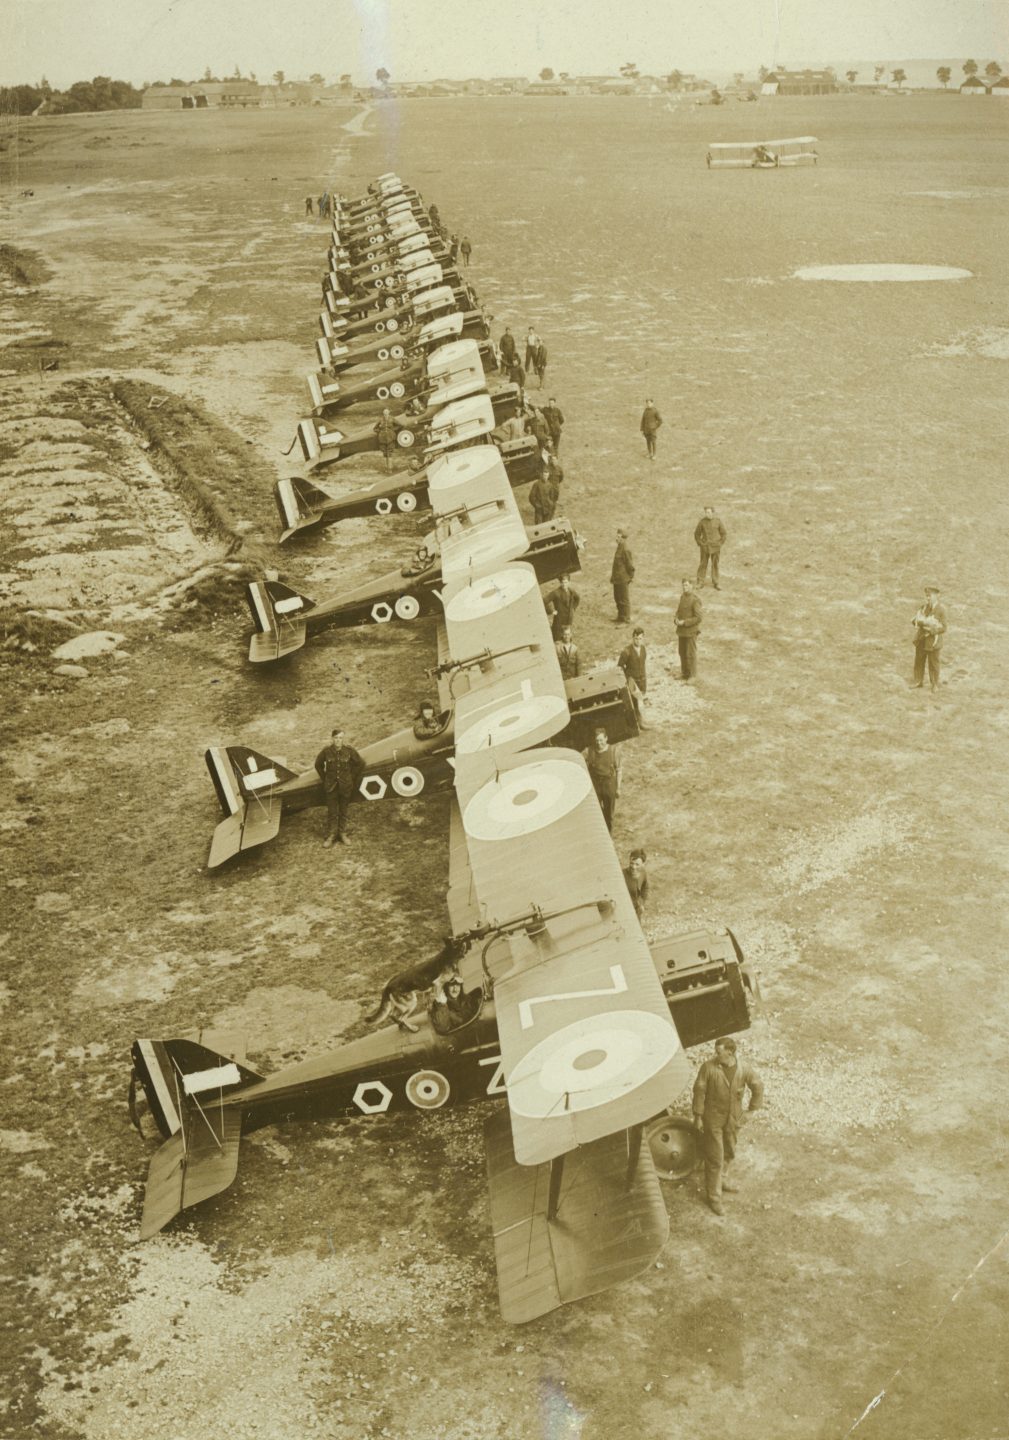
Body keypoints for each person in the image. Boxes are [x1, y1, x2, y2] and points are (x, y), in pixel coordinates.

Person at [692, 1037, 764, 1216]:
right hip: (713, 1118)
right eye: (716, 1052)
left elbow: (758, 1086)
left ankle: (721, 1180)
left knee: (730, 1151)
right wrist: (698, 1116)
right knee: (715, 1157)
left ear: (730, 1053)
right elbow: (699, 1091)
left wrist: (751, 1111)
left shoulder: (743, 1068)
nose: (715, 1055)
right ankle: (714, 1198)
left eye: (719, 1052)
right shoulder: (708, 1068)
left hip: (734, 1117)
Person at [314, 727, 365, 847]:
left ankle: (342, 834)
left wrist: (351, 778)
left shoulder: (349, 750)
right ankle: (331, 835)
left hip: (345, 786)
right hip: (331, 786)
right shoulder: (326, 751)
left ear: (343, 739)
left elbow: (360, 763)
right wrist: (325, 778)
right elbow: (318, 765)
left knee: (343, 811)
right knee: (332, 812)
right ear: (332, 739)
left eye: (340, 738)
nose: (338, 740)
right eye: (336, 738)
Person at [911, 585, 948, 692]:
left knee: (934, 663)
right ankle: (918, 681)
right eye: (927, 596)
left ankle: (934, 684)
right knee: (919, 661)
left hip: (933, 642)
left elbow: (944, 627)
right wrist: (922, 622)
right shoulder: (923, 607)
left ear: (937, 596)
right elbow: (914, 621)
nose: (928, 598)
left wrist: (932, 630)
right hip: (921, 639)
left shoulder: (941, 610)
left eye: (930, 596)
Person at [584, 728, 621, 832]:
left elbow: (619, 770)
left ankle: (609, 833)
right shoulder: (589, 751)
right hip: (596, 786)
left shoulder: (614, 750)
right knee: (596, 812)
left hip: (609, 785)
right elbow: (580, 761)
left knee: (609, 813)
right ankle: (599, 832)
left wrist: (618, 788)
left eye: (601, 740)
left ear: (606, 738)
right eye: (596, 741)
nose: (599, 743)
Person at [618, 627, 648, 728]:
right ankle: (638, 724)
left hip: (642, 679)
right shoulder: (627, 652)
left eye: (640, 638)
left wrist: (644, 679)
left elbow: (642, 664)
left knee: (640, 701)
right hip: (632, 681)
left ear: (643, 639)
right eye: (636, 638)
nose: (638, 641)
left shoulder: (643, 649)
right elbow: (620, 667)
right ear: (632, 638)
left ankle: (640, 721)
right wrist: (628, 678)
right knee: (634, 702)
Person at [675, 578, 702, 680]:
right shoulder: (682, 597)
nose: (684, 587)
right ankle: (685, 673)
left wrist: (685, 622)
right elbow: (678, 611)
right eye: (683, 585)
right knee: (682, 652)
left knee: (690, 653)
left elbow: (699, 618)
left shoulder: (695, 600)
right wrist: (676, 619)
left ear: (691, 586)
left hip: (691, 631)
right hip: (681, 631)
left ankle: (692, 676)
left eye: (686, 585)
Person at [694, 505, 727, 589]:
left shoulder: (718, 521)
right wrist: (701, 543)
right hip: (705, 548)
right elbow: (697, 534)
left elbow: (723, 533)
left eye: (708, 512)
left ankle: (716, 582)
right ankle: (700, 582)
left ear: (712, 512)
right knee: (703, 564)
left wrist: (720, 543)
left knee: (715, 564)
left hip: (716, 547)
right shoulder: (702, 522)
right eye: (706, 512)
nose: (707, 514)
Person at [544, 573, 580, 639]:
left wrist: (573, 608)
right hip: (559, 620)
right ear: (560, 583)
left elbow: (577, 598)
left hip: (568, 619)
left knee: (567, 636)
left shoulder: (571, 591)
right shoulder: (556, 592)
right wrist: (551, 611)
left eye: (566, 582)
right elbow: (544, 601)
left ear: (569, 582)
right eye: (562, 582)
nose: (564, 584)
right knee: (557, 637)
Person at [611, 529, 635, 624]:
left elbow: (630, 565)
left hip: (622, 579)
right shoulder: (619, 547)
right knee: (617, 598)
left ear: (623, 538)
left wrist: (630, 577)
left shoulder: (625, 549)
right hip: (617, 579)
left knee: (624, 599)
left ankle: (626, 619)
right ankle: (620, 616)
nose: (616, 538)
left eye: (618, 537)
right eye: (617, 536)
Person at [623, 848, 649, 918]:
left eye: (637, 864)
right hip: (624, 911)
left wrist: (642, 903)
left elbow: (645, 887)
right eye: (631, 863)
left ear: (643, 864)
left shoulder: (643, 873)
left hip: (636, 911)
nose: (634, 867)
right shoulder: (622, 875)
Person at [373, 408, 398, 473]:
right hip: (382, 439)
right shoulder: (380, 419)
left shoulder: (392, 419)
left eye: (386, 413)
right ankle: (386, 468)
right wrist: (380, 432)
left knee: (389, 454)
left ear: (389, 413)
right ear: (383, 414)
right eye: (384, 413)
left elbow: (401, 425)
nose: (385, 414)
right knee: (385, 454)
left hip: (391, 438)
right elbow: (375, 428)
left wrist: (393, 430)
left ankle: (390, 469)